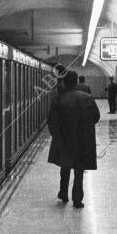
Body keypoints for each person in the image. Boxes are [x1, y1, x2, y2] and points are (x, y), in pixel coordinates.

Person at [48, 71, 100, 208]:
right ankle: (77, 200)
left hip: (64, 138)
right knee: (79, 169)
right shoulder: (87, 98)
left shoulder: (58, 99)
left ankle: (63, 193)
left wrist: (56, 135)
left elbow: (52, 121)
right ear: (77, 82)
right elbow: (96, 117)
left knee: (65, 166)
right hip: (82, 138)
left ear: (64, 83)